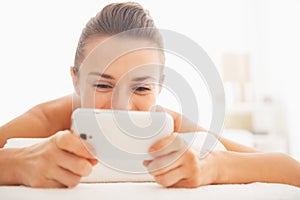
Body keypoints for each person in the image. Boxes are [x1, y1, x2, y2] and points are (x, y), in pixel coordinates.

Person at [0, 2, 299, 188]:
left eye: (141, 88)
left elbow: (290, 170)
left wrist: (214, 166)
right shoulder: (47, 120)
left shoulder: (168, 123)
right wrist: (19, 163)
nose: (122, 107)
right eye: (103, 85)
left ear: (159, 87)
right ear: (75, 81)